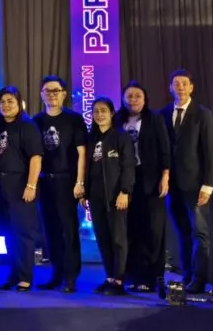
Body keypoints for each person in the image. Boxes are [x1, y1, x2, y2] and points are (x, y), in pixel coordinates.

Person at [161, 69, 213, 294]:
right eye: (176, 83)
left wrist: (208, 186)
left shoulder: (203, 114)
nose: (180, 87)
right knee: (183, 232)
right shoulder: (163, 113)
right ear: (170, 87)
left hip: (196, 186)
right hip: (172, 186)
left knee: (200, 234)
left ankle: (199, 280)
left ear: (191, 87)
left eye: (184, 83)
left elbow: (211, 152)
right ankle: (186, 277)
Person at [32, 76, 86, 292]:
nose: (52, 94)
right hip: (45, 181)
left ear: (64, 94)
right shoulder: (36, 121)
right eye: (47, 91)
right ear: (41, 95)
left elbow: (82, 153)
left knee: (68, 230)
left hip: (67, 181)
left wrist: (80, 182)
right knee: (50, 230)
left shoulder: (74, 120)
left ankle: (71, 276)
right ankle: (56, 273)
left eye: (56, 90)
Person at [118, 81, 171, 292]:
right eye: (129, 96)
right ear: (123, 99)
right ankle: (131, 275)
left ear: (145, 98)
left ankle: (150, 278)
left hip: (151, 180)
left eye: (138, 96)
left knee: (152, 229)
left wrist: (165, 175)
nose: (133, 100)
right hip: (125, 180)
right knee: (130, 229)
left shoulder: (155, 119)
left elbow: (165, 149)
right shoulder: (117, 119)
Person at [0, 86, 43, 292]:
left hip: (21, 185)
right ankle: (14, 275)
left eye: (10, 101)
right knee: (8, 233)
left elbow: (36, 158)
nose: (6, 105)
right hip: (1, 187)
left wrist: (31, 185)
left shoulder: (27, 126)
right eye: (2, 102)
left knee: (23, 233)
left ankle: (25, 277)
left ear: (19, 103)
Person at [84, 97, 136, 295]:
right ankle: (109, 277)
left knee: (118, 239)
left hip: (116, 195)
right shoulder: (92, 138)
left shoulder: (121, 137)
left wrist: (125, 191)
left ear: (112, 113)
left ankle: (119, 280)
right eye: (96, 111)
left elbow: (128, 166)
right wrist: (85, 191)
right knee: (103, 238)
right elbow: (86, 167)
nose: (99, 115)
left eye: (103, 110)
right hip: (95, 196)